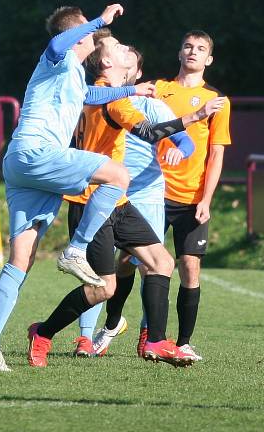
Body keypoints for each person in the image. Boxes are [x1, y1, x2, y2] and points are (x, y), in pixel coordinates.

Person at [0, 4, 153, 372]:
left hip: (23, 166)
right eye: (90, 28)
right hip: (37, 154)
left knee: (21, 259)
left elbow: (90, 97)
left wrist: (132, 89)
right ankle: (77, 249)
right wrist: (101, 20)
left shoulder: (71, 74)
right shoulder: (58, 56)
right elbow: (57, 43)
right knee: (118, 176)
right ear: (82, 33)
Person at [27, 33, 224, 367]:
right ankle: (43, 333)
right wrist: (194, 116)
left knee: (161, 262)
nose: (125, 49)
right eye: (118, 48)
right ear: (107, 62)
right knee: (105, 287)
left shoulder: (109, 94)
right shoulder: (112, 99)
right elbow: (147, 132)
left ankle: (156, 342)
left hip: (117, 201)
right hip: (91, 203)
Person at [74, 46, 187, 358]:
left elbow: (179, 139)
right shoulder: (105, 96)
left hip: (144, 194)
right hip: (104, 191)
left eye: (129, 54)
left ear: (136, 72)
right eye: (117, 50)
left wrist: (183, 145)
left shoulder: (145, 103)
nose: (120, 51)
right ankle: (89, 333)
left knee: (153, 265)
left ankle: (150, 336)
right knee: (104, 272)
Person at [153, 30, 232, 362]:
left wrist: (206, 200)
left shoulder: (217, 100)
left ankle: (183, 342)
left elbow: (216, 154)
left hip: (191, 198)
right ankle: (131, 331)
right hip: (153, 193)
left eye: (201, 49)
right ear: (179, 52)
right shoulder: (159, 90)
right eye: (188, 46)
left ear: (209, 59)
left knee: (189, 266)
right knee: (136, 264)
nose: (193, 52)